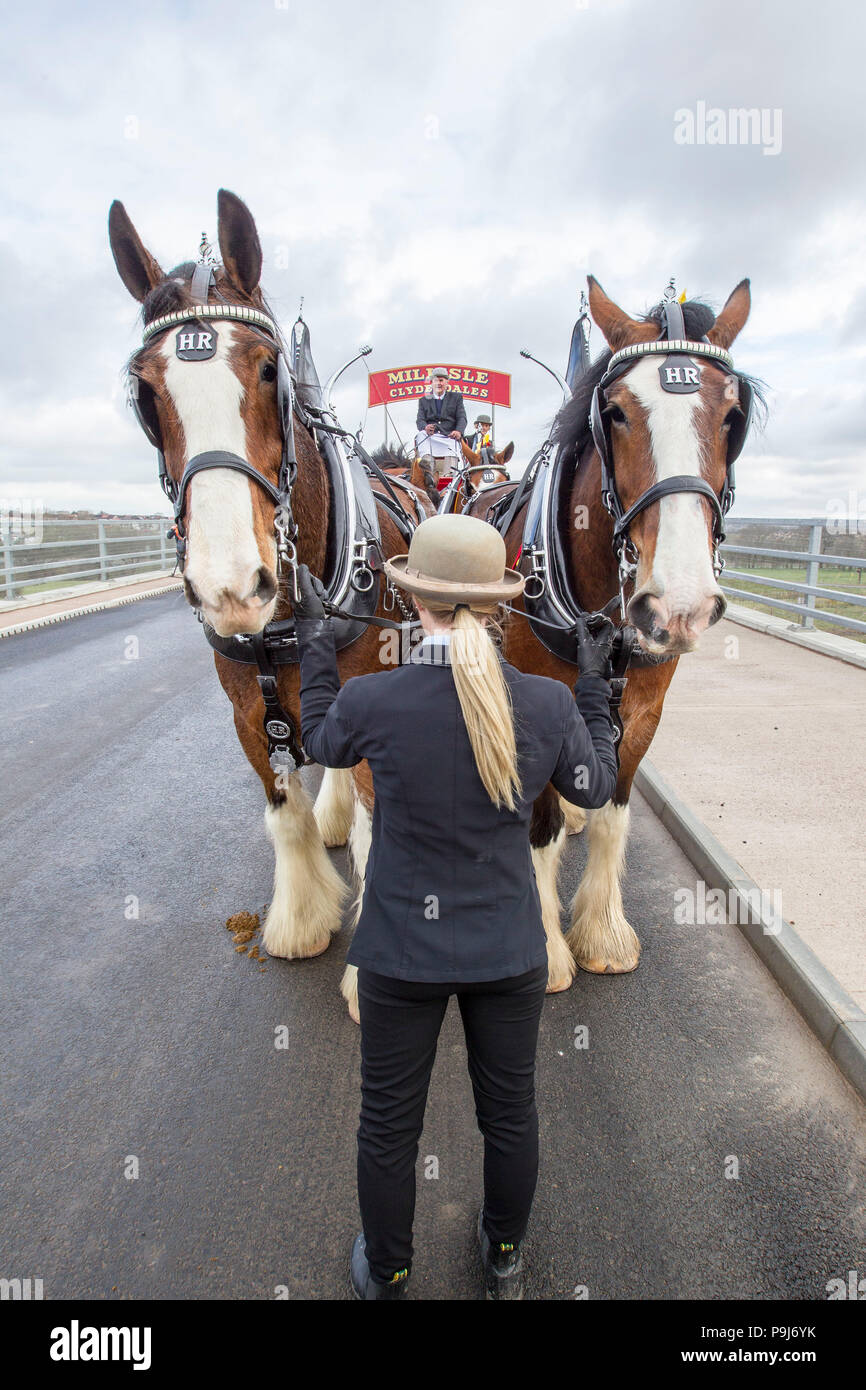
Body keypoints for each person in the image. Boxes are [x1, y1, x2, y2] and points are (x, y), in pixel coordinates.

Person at [292, 513, 619, 1300]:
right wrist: (599, 692)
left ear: (413, 604)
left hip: (399, 952)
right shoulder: (544, 703)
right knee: (509, 1114)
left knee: (388, 1126)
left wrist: (315, 646)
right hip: (508, 950)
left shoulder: (374, 697)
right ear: (500, 606)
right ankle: (503, 1253)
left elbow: (319, 743)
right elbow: (594, 788)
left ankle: (392, 1268)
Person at [415, 367, 467, 445]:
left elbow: (462, 418)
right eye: (436, 380)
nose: (438, 383)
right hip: (429, 437)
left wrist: (458, 431)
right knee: (420, 435)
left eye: (441, 380)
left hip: (450, 437)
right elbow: (420, 420)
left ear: (447, 382)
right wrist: (425, 427)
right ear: (432, 383)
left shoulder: (456, 398)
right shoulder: (423, 400)